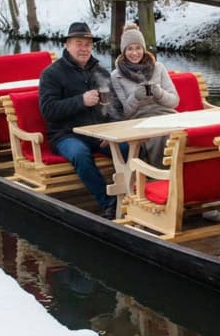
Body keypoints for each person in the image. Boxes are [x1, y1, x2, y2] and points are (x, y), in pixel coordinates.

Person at [39, 22, 126, 220]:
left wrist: (113, 133)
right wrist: (81, 101)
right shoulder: (51, 74)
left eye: (88, 44)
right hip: (66, 135)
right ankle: (109, 203)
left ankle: (137, 197)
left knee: (129, 148)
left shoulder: (101, 72)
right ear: (67, 45)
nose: (84, 48)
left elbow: (117, 107)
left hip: (99, 133)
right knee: (80, 154)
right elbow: (48, 111)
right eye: (79, 43)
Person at [111, 24, 179, 167]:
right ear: (123, 51)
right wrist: (136, 97)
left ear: (143, 49)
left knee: (182, 132)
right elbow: (123, 114)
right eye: (130, 49)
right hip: (139, 119)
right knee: (160, 136)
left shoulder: (158, 67)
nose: (134, 53)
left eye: (138, 48)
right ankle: (161, 175)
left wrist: (159, 93)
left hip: (166, 114)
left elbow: (174, 102)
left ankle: (186, 174)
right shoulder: (116, 76)